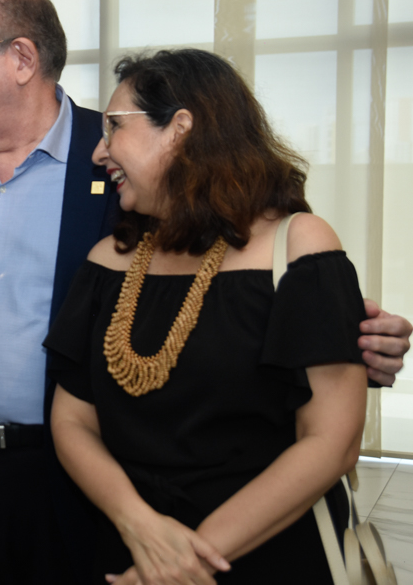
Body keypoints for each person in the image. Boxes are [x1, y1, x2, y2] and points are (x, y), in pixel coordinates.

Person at [0, 0, 412, 584]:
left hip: (79, 496)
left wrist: (350, 343)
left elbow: (235, 294)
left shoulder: (132, 175)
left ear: (22, 57)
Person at [46, 48, 372, 584]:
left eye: (114, 128)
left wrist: (185, 562)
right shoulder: (107, 261)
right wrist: (141, 528)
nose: (98, 152)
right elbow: (72, 421)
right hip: (131, 554)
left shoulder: (300, 246)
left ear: (179, 128)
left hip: (264, 555)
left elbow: (332, 440)